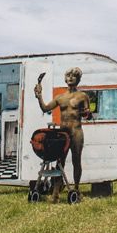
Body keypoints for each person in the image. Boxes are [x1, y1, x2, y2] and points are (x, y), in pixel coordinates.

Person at [34, 67, 91, 203]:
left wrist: (86, 113)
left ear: (78, 80)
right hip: (62, 134)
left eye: (74, 76)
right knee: (60, 162)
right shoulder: (60, 97)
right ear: (65, 79)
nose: (71, 77)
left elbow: (87, 115)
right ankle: (56, 193)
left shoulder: (82, 96)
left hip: (76, 132)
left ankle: (76, 189)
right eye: (68, 75)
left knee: (77, 160)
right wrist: (39, 96)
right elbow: (45, 108)